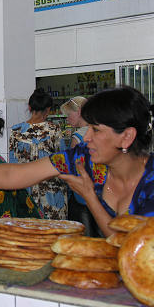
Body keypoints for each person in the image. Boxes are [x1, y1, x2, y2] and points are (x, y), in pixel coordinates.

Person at [0, 87, 154, 237]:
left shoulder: (151, 180)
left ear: (127, 136)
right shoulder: (83, 159)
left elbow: (127, 244)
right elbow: (12, 176)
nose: (86, 137)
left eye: (96, 131)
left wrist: (90, 197)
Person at [9, 89, 68, 220]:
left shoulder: (16, 131)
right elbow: (62, 161)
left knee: (29, 233)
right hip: (52, 194)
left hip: (25, 192)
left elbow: (12, 165)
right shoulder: (54, 130)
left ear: (29, 107)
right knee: (54, 233)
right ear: (48, 109)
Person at [61, 96, 100, 236]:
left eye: (68, 114)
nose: (67, 118)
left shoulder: (78, 136)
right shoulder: (96, 132)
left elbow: (71, 166)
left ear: (78, 112)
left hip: (80, 194)